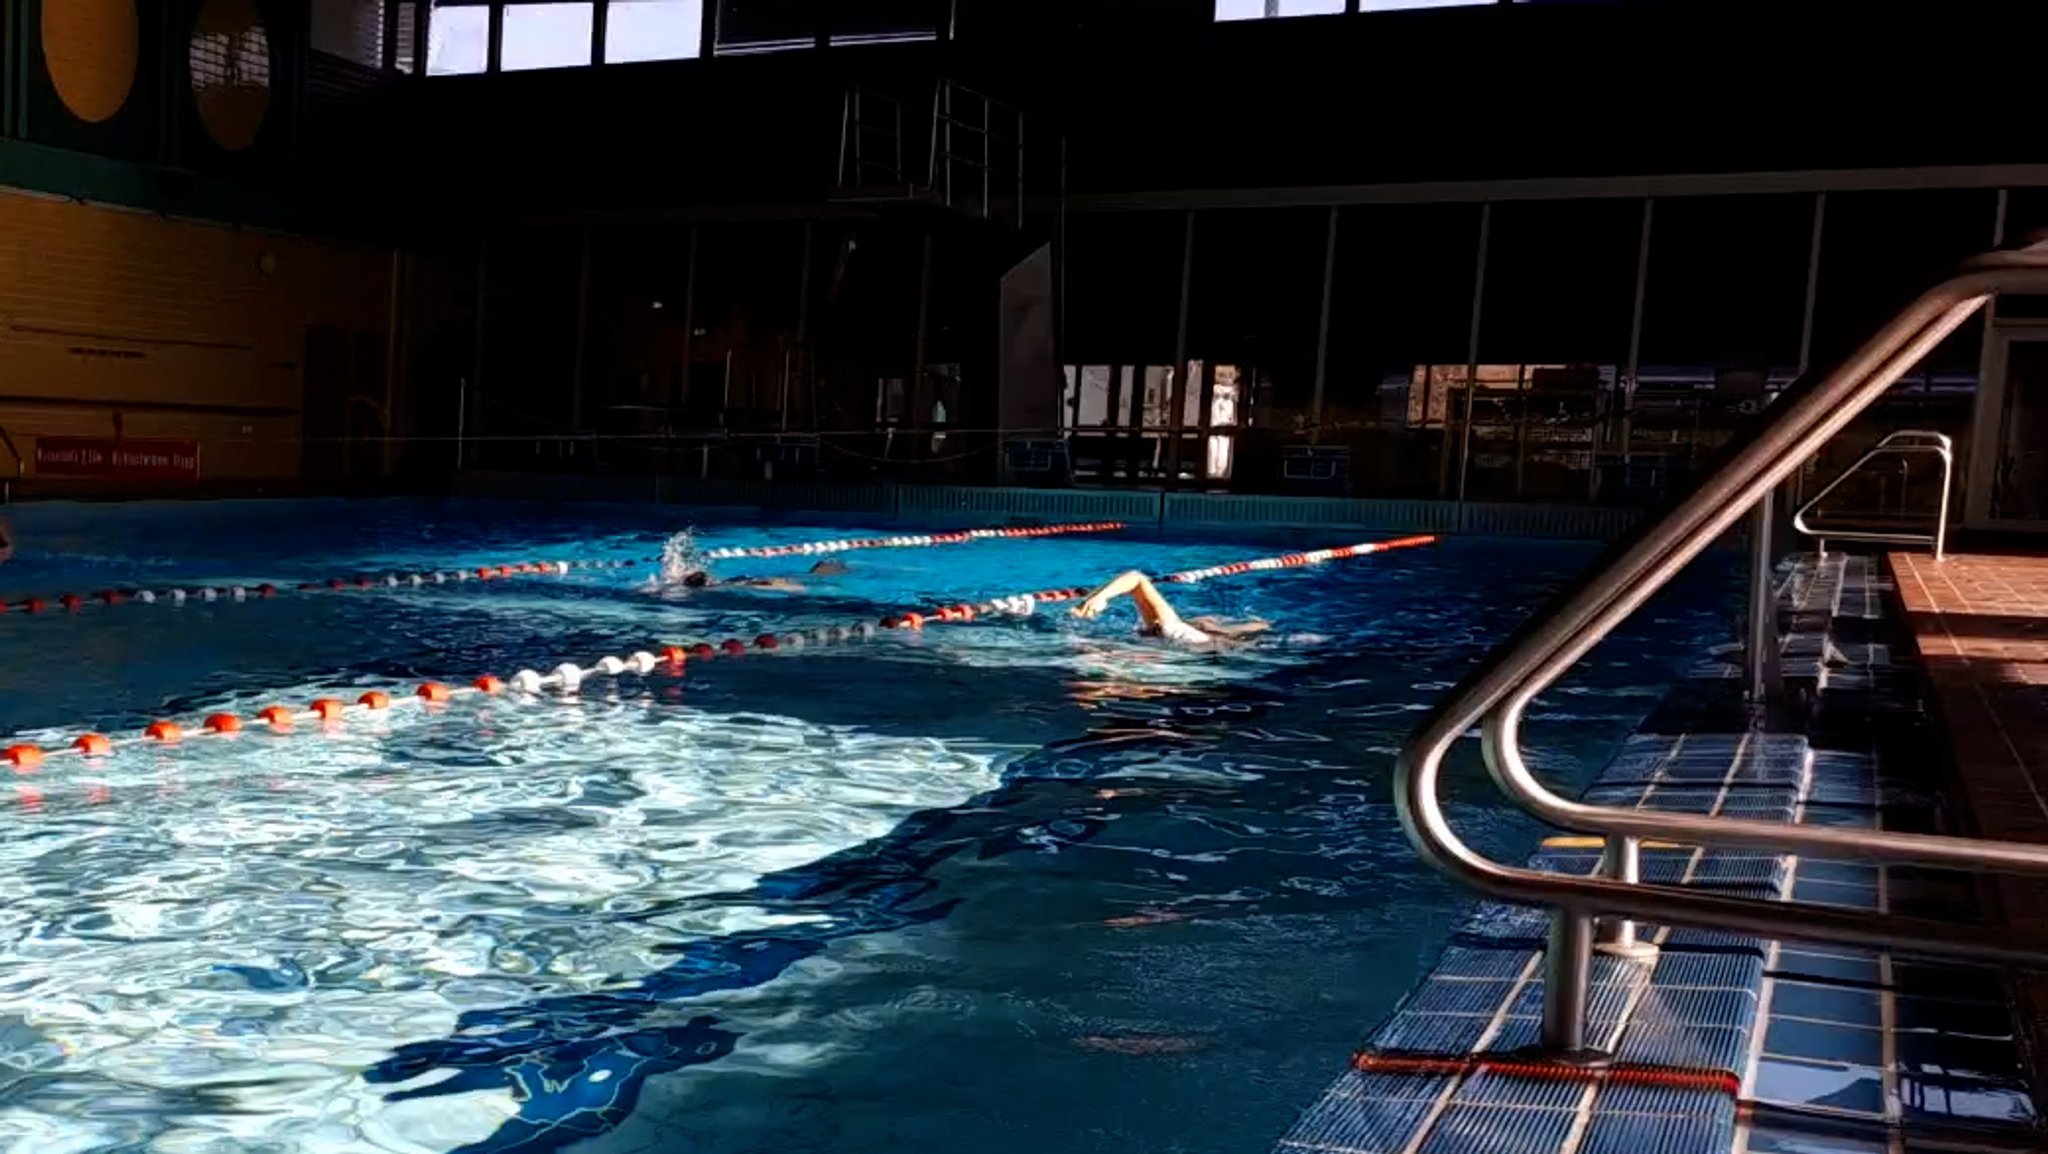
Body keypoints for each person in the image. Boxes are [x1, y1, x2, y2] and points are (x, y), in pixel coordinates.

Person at [1071, 570, 1269, 648]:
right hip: (1210, 644)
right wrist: (1097, 598)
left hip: (1203, 642)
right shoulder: (1166, 630)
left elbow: (1137, 577)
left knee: (1237, 630)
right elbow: (1136, 585)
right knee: (1241, 630)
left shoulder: (1173, 630)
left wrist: (1098, 598)